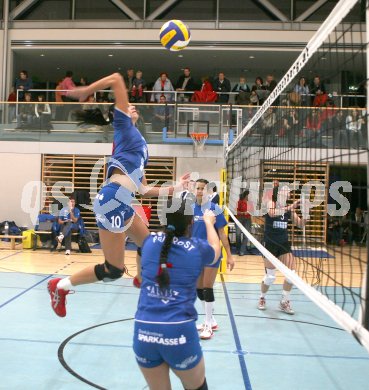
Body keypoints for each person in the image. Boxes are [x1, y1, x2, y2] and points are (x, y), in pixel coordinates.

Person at [47, 72, 189, 317]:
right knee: (113, 270)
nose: (130, 106)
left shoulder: (140, 146)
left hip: (124, 200)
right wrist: (86, 90)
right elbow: (116, 79)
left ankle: (141, 280)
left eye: (132, 106)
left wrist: (175, 188)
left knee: (150, 246)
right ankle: (59, 286)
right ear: (119, 114)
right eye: (127, 105)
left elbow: (143, 190)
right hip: (113, 200)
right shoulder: (122, 126)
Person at [133, 199, 221, 390]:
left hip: (143, 332)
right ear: (191, 223)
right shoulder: (197, 249)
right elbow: (216, 250)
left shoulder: (148, 243)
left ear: (163, 218)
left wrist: (140, 276)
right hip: (178, 333)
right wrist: (208, 223)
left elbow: (140, 259)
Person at [193, 179, 234, 339]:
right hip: (196, 254)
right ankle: (211, 320)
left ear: (208, 191)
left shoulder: (214, 209)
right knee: (198, 288)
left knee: (207, 287)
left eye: (203, 188)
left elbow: (222, 234)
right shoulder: (190, 209)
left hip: (212, 253)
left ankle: (208, 325)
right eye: (198, 188)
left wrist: (229, 256)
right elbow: (189, 231)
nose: (200, 191)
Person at [258, 185, 308, 315]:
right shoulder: (270, 203)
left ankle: (284, 301)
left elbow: (300, 224)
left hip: (283, 244)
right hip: (270, 244)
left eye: (289, 192)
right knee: (270, 277)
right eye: (286, 191)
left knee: (291, 275)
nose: (288, 194)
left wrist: (306, 212)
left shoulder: (289, 210)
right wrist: (291, 207)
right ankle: (262, 298)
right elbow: (272, 213)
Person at [235, 190, 252, 256]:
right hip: (239, 218)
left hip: (247, 219)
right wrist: (243, 213)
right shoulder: (239, 202)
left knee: (246, 235)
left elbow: (252, 211)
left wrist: (250, 212)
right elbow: (236, 211)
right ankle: (238, 249)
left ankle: (242, 251)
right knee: (238, 234)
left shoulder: (251, 203)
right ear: (246, 196)